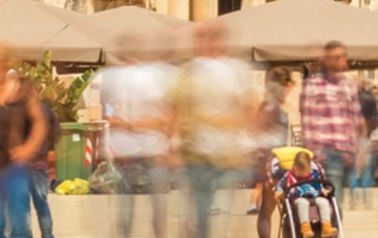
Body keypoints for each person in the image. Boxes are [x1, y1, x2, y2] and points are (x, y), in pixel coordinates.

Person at [173, 24, 263, 238]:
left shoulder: (235, 69)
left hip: (228, 155)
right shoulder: (189, 70)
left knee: (227, 217)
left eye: (211, 37)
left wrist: (249, 140)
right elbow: (178, 108)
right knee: (200, 214)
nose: (206, 41)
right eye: (202, 37)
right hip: (197, 153)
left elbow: (247, 108)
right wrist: (175, 144)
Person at [103, 37, 179, 238]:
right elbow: (110, 114)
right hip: (129, 154)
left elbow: (162, 118)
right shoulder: (117, 79)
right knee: (129, 215)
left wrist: (129, 125)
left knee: (154, 213)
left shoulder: (149, 78)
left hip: (152, 151)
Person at [0, 48, 57, 238]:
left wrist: (29, 149)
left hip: (20, 166)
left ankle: (46, 235)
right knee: (0, 218)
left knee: (23, 215)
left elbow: (42, 124)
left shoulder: (22, 94)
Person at [298, 43, 366, 207]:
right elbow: (307, 120)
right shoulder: (314, 85)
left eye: (342, 57)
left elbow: (355, 118)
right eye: (334, 58)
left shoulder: (349, 85)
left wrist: (359, 149)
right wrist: (315, 151)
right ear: (326, 60)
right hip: (326, 152)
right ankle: (332, 231)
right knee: (334, 204)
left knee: (334, 203)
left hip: (347, 154)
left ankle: (327, 230)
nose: (339, 61)